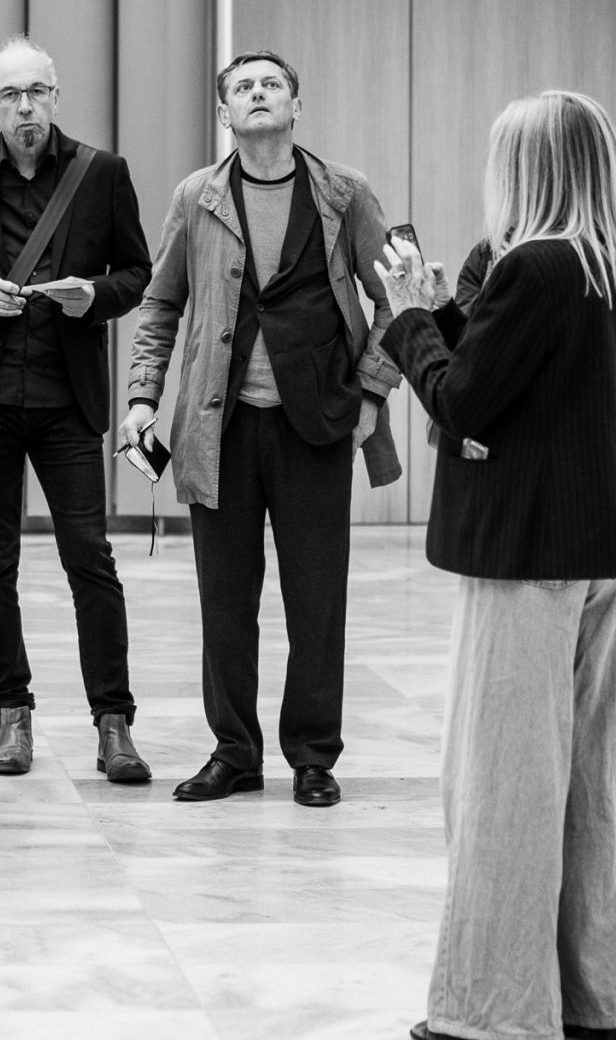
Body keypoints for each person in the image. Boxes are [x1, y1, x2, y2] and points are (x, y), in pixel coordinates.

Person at [377, 89, 616, 1040]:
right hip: (599, 550)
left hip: (527, 553)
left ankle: (495, 1009)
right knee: (596, 784)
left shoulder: (533, 266)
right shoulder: (610, 268)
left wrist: (411, 319)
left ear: (528, 170)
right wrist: (449, 307)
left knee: (504, 779)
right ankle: (599, 996)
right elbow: (518, 376)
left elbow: (462, 400)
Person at [119, 51, 403, 808]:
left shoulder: (345, 193)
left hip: (318, 424)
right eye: (242, 87)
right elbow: (160, 302)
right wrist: (143, 396)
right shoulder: (196, 196)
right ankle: (234, 752)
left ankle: (313, 756)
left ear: (295, 106)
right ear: (225, 114)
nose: (257, 93)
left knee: (318, 601)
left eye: (271, 84)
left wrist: (372, 392)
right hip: (220, 427)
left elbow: (397, 296)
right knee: (224, 601)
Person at [0, 39, 154, 785]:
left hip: (67, 398)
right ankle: (12, 712)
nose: (24, 107)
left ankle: (113, 721)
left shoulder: (102, 172)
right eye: (9, 95)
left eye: (36, 92)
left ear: (55, 96)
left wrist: (95, 296)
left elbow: (138, 272)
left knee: (89, 558)